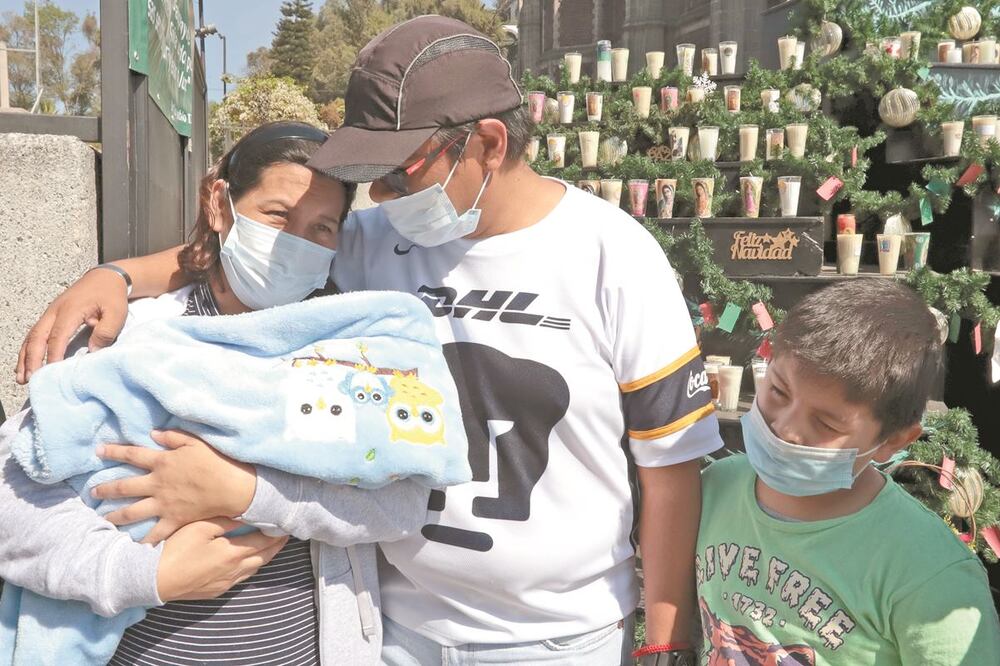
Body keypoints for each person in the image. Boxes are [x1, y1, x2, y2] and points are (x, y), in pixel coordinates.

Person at [14, 16, 723, 665]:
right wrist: (114, 274)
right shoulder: (376, 241)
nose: (379, 195)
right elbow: (263, 247)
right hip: (394, 629)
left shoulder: (614, 256)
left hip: (559, 638)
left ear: (487, 143)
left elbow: (669, 470)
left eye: (396, 171)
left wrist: (664, 639)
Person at [0, 121, 434, 665]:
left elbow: (399, 503)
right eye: (277, 216)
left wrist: (249, 493)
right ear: (219, 204)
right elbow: (14, 492)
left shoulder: (347, 355)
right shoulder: (123, 335)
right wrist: (142, 575)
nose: (295, 243)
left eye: (322, 228)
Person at [696, 280, 1000, 664]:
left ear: (893, 440)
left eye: (826, 424)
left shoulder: (931, 575)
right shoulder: (714, 488)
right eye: (778, 391)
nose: (786, 428)